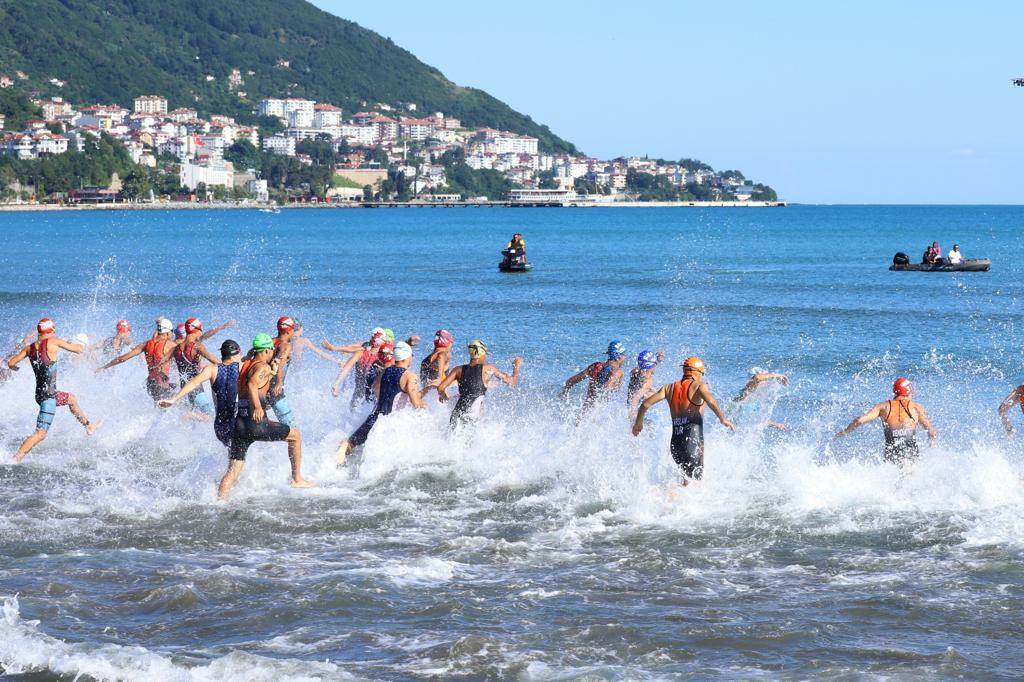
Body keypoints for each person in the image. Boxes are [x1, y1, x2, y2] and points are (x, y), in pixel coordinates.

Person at [219, 333, 314, 499]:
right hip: (256, 424)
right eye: (271, 350)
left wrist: (273, 371)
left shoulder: (247, 365)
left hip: (240, 425)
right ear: (265, 351)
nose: (273, 353)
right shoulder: (262, 367)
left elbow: (254, 380)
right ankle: (297, 479)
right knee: (295, 435)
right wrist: (257, 406)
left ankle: (220, 500)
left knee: (232, 472)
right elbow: (252, 384)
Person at [7, 318, 101, 463]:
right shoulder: (53, 341)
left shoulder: (29, 348)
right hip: (48, 397)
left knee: (71, 399)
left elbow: (10, 363)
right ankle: (14, 459)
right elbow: (79, 349)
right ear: (51, 330)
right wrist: (82, 344)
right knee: (40, 434)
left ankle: (89, 425)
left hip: (40, 394)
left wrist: (15, 368)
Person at [632, 356, 736, 483]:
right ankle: (664, 495)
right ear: (696, 372)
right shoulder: (699, 386)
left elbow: (645, 404)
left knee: (685, 482)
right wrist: (723, 419)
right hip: (693, 442)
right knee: (695, 483)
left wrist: (638, 423)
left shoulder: (668, 388)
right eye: (702, 374)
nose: (702, 377)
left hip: (675, 444)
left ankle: (664, 495)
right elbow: (711, 401)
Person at [337, 341, 425, 465]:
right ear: (407, 357)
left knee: (350, 443)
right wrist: (425, 404)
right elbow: (416, 403)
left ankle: (335, 466)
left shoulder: (385, 371)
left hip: (373, 417)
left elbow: (374, 388)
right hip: (389, 423)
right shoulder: (410, 376)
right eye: (412, 356)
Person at [159, 339, 243, 447]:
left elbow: (193, 383)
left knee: (231, 450)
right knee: (237, 451)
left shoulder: (211, 369)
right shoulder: (243, 367)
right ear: (238, 353)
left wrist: (173, 399)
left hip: (220, 426)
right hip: (239, 422)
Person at [835, 377, 937, 465]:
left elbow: (860, 420)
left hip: (891, 453)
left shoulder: (883, 407)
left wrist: (845, 432)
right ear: (909, 391)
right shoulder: (916, 407)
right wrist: (932, 447)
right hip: (911, 453)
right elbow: (932, 433)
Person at [437, 339, 522, 427]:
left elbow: (440, 388)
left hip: (456, 416)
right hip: (470, 418)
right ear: (481, 353)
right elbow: (512, 382)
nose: (485, 357)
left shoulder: (458, 370)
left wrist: (445, 398)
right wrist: (517, 366)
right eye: (485, 354)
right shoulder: (489, 368)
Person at [96, 316, 177, 402]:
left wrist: (104, 367)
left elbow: (121, 359)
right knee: (178, 403)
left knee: (159, 404)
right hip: (162, 385)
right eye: (171, 332)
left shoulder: (146, 344)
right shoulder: (171, 345)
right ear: (168, 333)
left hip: (151, 385)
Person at [168, 318, 234, 416]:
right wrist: (233, 369)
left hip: (184, 388)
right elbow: (213, 359)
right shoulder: (196, 346)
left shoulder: (175, 348)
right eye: (200, 329)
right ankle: (188, 416)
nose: (202, 331)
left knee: (199, 413)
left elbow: (161, 362)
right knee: (213, 414)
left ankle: (188, 416)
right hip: (195, 387)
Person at [560, 341, 628, 424]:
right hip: (602, 415)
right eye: (624, 354)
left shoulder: (596, 366)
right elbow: (606, 388)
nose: (625, 357)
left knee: (578, 427)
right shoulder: (618, 372)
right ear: (618, 356)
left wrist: (564, 392)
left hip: (585, 410)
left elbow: (570, 381)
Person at [267, 316, 299, 425]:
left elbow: (252, 354)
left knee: (260, 423)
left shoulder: (269, 341)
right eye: (293, 330)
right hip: (275, 390)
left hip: (262, 388)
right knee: (291, 426)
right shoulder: (286, 346)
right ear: (289, 331)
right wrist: (279, 382)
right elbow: (279, 365)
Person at [627, 349, 665, 419]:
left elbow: (645, 364)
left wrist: (656, 359)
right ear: (652, 365)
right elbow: (635, 399)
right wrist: (633, 419)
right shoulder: (647, 381)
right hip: (645, 416)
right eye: (655, 363)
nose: (656, 365)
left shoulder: (635, 372)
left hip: (640, 409)